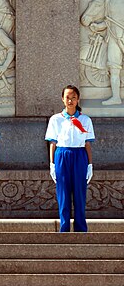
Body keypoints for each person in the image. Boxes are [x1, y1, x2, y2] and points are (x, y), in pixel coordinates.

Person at [45, 85, 95, 233]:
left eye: (73, 97)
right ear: (62, 99)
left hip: (79, 155)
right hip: (62, 155)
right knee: (63, 195)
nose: (70, 100)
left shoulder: (85, 119)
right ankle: (64, 229)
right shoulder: (56, 119)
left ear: (78, 99)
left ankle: (81, 229)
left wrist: (90, 164)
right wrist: (52, 164)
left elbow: (87, 144)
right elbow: (52, 144)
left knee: (79, 194)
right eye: (67, 97)